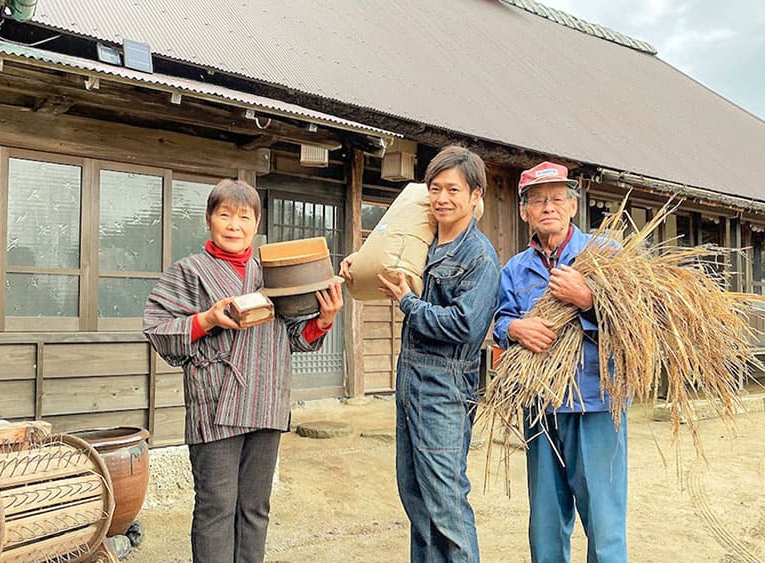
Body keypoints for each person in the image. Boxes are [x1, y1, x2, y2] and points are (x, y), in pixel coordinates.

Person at [143, 179, 343, 563]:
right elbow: (156, 327)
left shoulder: (271, 273)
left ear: (256, 223)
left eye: (244, 217)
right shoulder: (189, 272)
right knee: (216, 508)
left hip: (267, 400)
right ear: (209, 219)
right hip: (216, 405)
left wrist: (325, 318)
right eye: (224, 215)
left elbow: (293, 335)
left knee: (255, 508)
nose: (234, 225)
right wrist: (206, 318)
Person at [342, 146, 500, 562]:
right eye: (435, 189)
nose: (442, 198)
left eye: (453, 190)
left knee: (445, 500)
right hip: (410, 380)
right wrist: (357, 267)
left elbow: (464, 325)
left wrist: (410, 304)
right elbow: (387, 266)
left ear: (475, 195)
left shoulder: (479, 257)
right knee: (415, 497)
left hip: (446, 386)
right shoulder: (424, 240)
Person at [493, 162, 628, 563]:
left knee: (603, 523)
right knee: (546, 526)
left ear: (572, 205)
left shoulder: (604, 256)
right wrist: (515, 329)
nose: (547, 207)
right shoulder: (515, 269)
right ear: (525, 212)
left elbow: (639, 322)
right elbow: (500, 320)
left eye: (556, 198)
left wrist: (588, 300)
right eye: (538, 200)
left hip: (595, 402)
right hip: (539, 407)